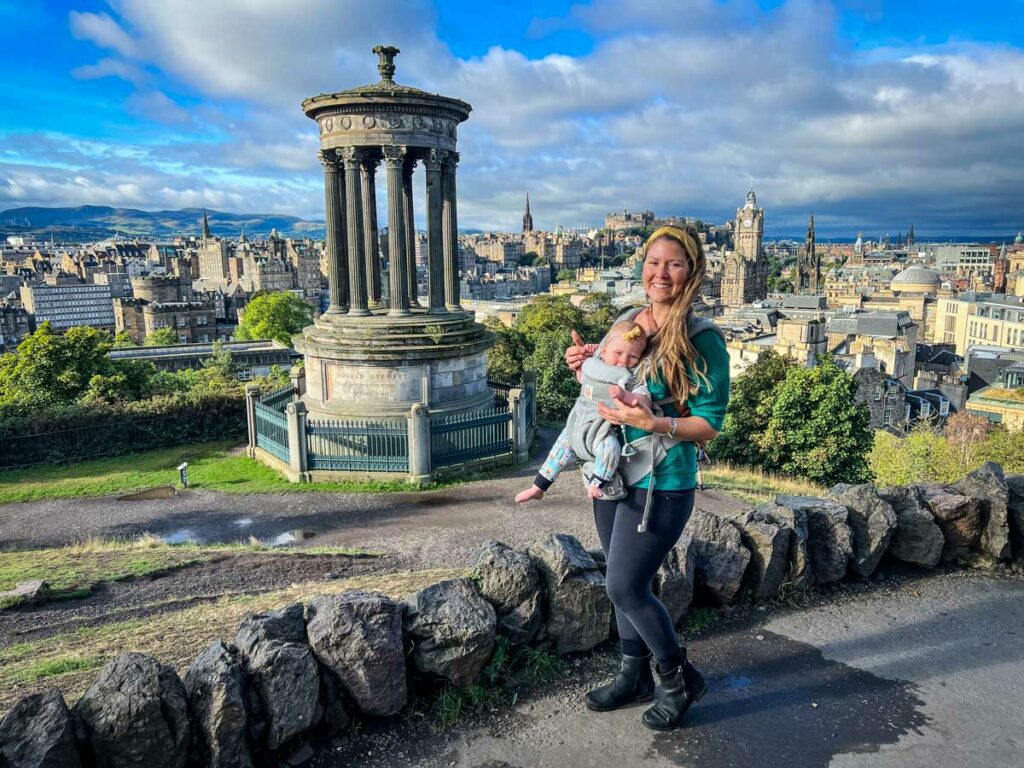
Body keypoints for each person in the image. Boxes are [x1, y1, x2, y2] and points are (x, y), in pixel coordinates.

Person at [565, 224, 730, 731]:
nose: (661, 272)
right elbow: (607, 382)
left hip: (664, 481)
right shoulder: (627, 322)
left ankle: (678, 678)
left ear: (692, 272)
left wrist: (654, 422)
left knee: (625, 585)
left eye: (674, 263)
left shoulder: (703, 340)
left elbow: (710, 423)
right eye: (654, 262)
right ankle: (631, 671)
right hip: (612, 475)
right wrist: (585, 366)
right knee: (623, 584)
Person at [515, 320, 651, 503]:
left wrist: (626, 396)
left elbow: (643, 397)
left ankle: (597, 481)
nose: (623, 361)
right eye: (618, 353)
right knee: (560, 448)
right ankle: (538, 486)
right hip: (578, 420)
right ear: (604, 350)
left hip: (601, 428)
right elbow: (583, 378)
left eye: (633, 357)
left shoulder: (630, 378)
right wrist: (582, 363)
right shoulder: (594, 364)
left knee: (611, 448)